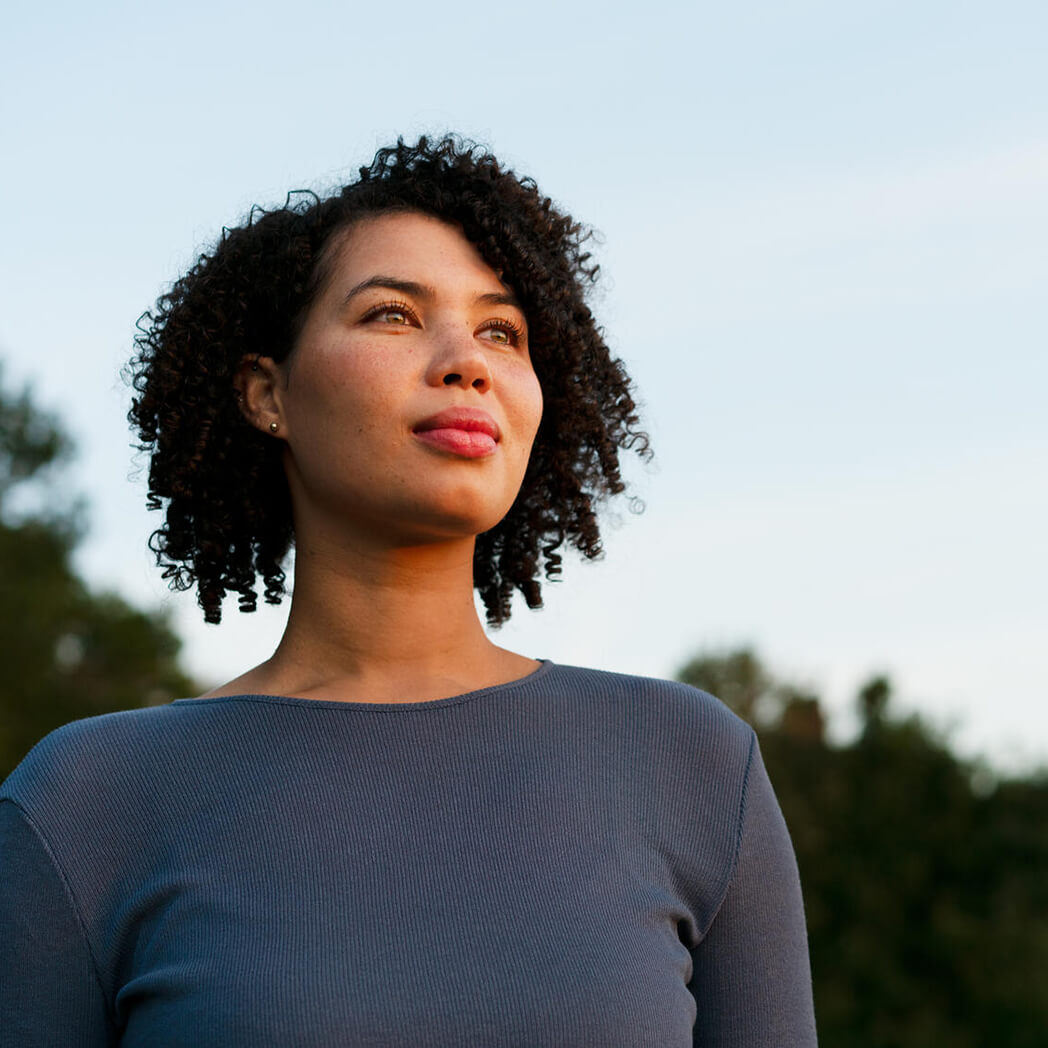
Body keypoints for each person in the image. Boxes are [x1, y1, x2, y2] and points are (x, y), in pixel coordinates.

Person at [0, 136, 817, 1046]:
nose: (467, 360)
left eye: (502, 331)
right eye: (393, 314)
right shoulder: (87, 799)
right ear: (267, 393)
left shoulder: (695, 764)